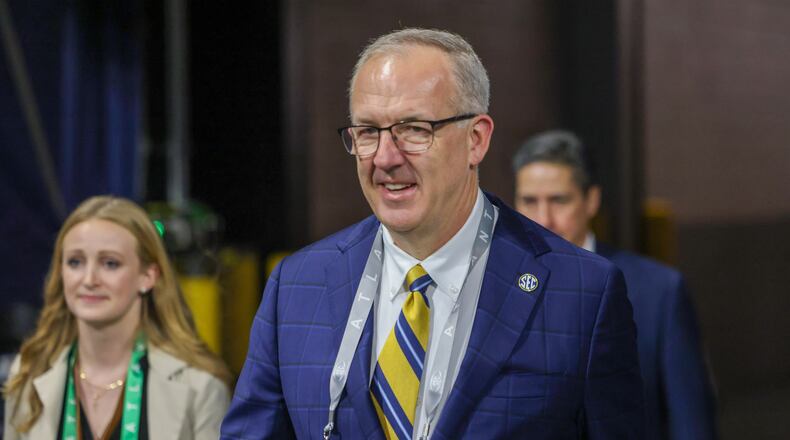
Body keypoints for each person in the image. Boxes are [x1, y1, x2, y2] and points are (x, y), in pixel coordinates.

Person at [221, 28, 643, 439]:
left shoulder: (582, 293)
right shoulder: (297, 285)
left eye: (414, 130)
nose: (385, 158)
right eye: (368, 132)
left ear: (476, 140)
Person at [512, 130, 718, 439]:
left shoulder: (657, 291)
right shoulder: (492, 286)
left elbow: (691, 423)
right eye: (530, 202)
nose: (544, 219)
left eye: (559, 200)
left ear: (591, 200)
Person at [3, 196, 232, 439]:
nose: (89, 279)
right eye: (75, 262)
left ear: (148, 276)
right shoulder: (29, 371)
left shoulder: (199, 386)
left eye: (110, 263)